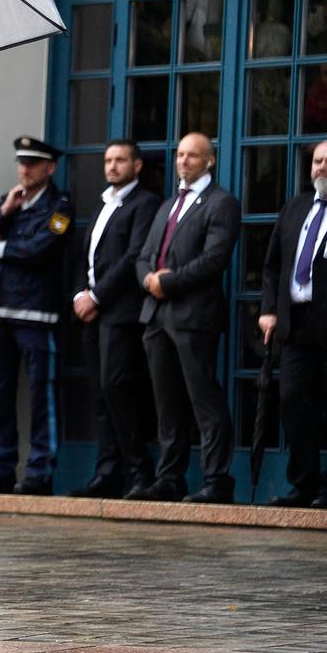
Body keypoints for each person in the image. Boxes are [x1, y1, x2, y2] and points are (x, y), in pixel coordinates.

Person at [0, 136, 74, 496]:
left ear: (49, 168)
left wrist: (1, 247)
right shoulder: (11, 203)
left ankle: (39, 473)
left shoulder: (60, 209)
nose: (24, 169)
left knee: (41, 399)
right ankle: (0, 469)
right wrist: (3, 213)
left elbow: (40, 249)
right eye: (21, 162)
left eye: (32, 163)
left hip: (37, 318)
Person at [134, 132, 240, 504]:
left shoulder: (221, 203)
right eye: (180, 155)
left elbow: (214, 260)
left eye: (192, 156)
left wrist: (170, 282)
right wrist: (148, 279)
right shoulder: (168, 206)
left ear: (208, 161)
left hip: (194, 316)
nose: (183, 162)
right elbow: (145, 255)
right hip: (156, 315)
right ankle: (170, 477)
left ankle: (217, 479)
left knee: (203, 399)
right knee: (167, 403)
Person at [68, 141, 161, 500]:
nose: (112, 166)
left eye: (120, 160)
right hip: (91, 314)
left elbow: (133, 257)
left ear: (136, 166)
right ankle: (106, 472)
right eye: (108, 160)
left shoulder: (145, 204)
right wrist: (80, 293)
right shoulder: (103, 203)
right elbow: (85, 255)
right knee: (100, 395)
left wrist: (97, 295)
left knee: (119, 389)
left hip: (120, 314)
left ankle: (139, 472)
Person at [257, 139, 327, 508]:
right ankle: (303, 485)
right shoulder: (296, 207)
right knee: (295, 403)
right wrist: (269, 308)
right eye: (317, 161)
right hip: (296, 324)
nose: (321, 167)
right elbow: (271, 265)